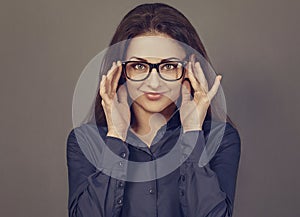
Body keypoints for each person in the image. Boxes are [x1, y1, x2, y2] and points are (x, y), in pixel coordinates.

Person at [67, 3, 241, 217]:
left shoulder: (219, 138)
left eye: (169, 66)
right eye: (139, 66)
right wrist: (116, 137)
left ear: (189, 69)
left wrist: (192, 132)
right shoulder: (85, 141)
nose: (154, 83)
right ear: (120, 69)